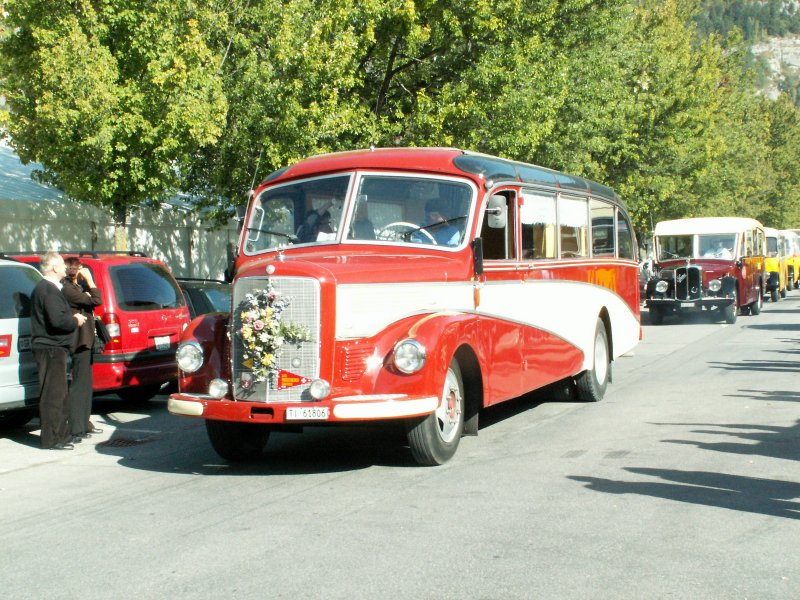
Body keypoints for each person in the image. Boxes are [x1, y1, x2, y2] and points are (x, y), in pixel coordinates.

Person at [31, 252, 87, 450]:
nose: (66, 268)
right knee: (53, 395)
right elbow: (57, 321)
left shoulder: (51, 289)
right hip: (50, 348)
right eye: (62, 264)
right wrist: (75, 320)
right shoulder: (47, 289)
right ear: (54, 268)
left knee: (60, 394)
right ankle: (52, 438)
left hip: (56, 348)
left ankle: (62, 435)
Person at [61, 257, 103, 442]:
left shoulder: (76, 287)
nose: (82, 271)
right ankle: (77, 426)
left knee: (86, 384)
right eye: (79, 268)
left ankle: (85, 423)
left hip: (87, 339)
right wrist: (91, 281)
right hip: (78, 340)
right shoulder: (68, 289)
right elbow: (96, 300)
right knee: (79, 384)